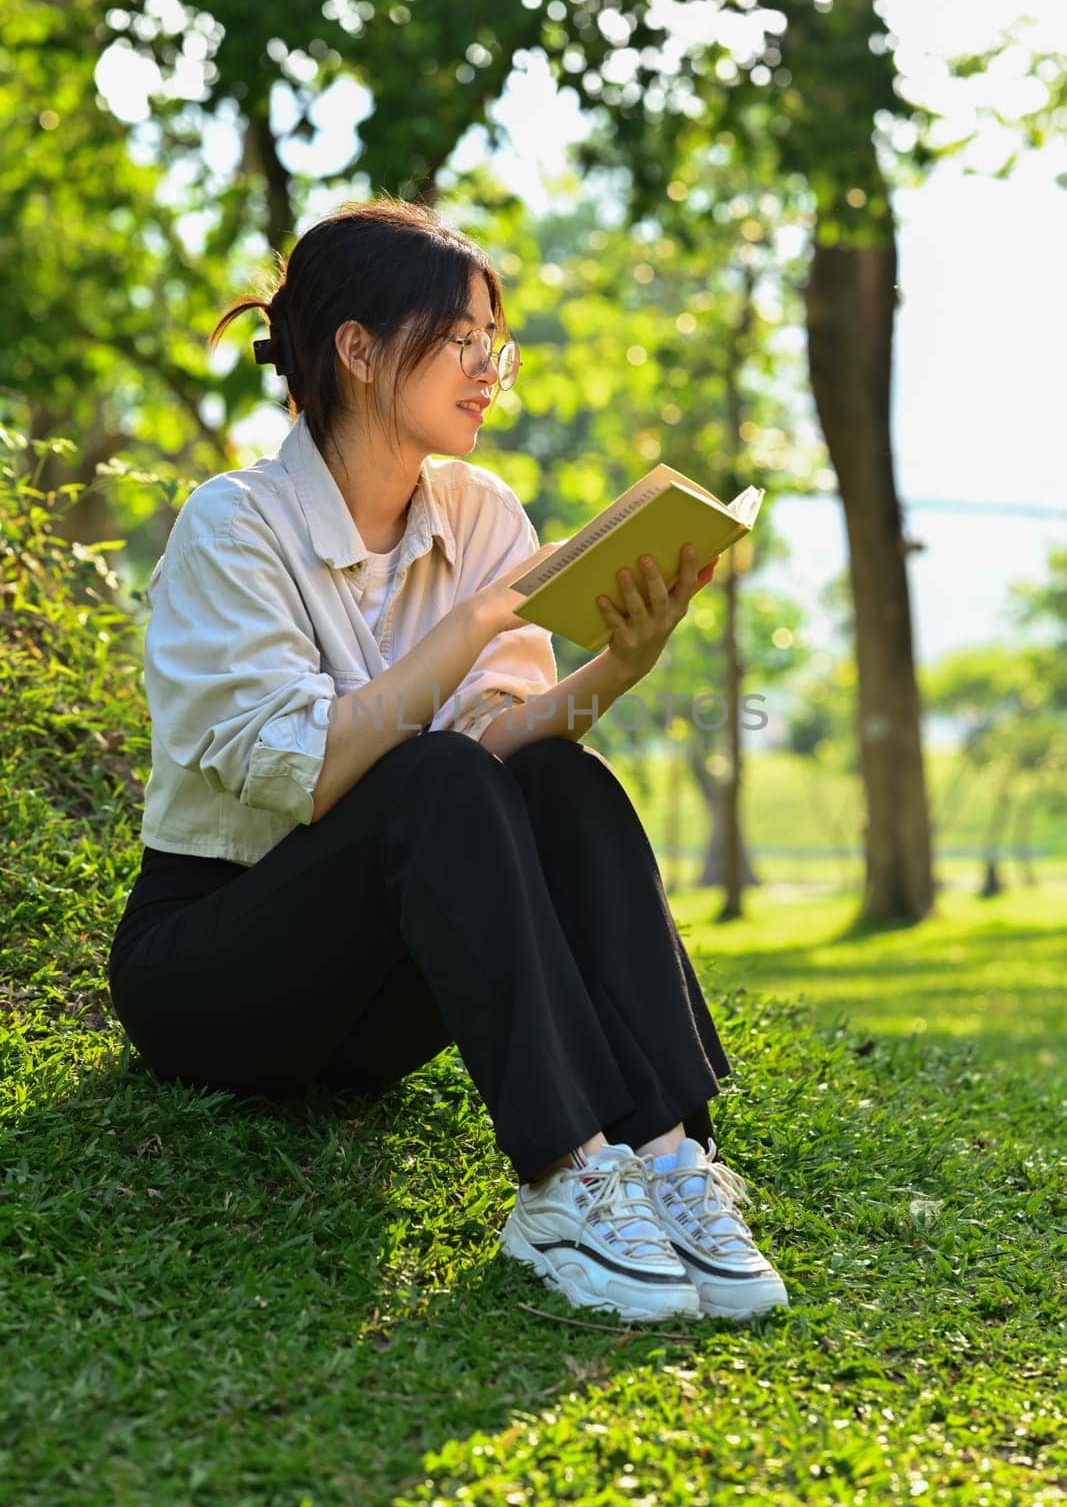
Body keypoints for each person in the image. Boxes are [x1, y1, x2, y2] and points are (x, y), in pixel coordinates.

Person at [106, 196, 788, 1325]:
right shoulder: (236, 526)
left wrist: (619, 662)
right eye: (460, 340)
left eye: (491, 343)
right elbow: (316, 774)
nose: (487, 370)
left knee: (554, 776)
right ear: (358, 350)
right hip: (215, 970)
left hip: (376, 989)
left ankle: (665, 1156)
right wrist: (478, 620)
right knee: (426, 776)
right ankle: (563, 1181)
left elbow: (496, 748)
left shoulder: (477, 509)